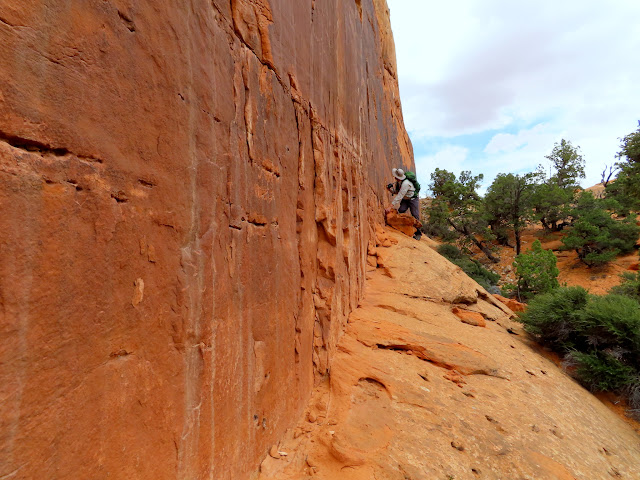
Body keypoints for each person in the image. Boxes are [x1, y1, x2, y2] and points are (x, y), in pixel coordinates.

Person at [385, 168, 422, 240]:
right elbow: (397, 192)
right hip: (405, 199)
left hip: (413, 199)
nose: (395, 177)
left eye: (396, 176)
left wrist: (390, 206)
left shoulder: (406, 184)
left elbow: (400, 196)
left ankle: (418, 233)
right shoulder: (399, 182)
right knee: (401, 210)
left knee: (415, 215)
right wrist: (390, 190)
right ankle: (402, 227)